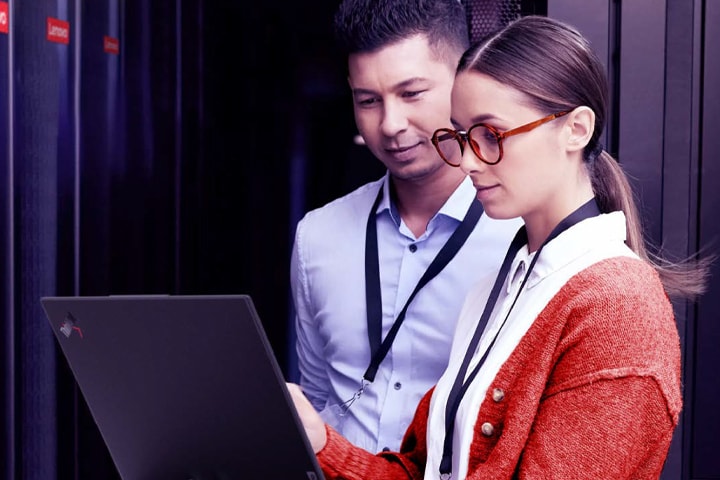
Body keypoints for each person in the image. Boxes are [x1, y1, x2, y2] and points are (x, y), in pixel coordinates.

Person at [288, 14, 710, 479]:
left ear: (576, 129)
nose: (468, 161)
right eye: (462, 136)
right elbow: (421, 472)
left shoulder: (617, 306)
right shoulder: (502, 286)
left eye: (492, 135)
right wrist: (321, 440)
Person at [290, 0, 522, 454]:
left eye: (412, 94)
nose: (391, 125)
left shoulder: (520, 235)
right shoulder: (318, 236)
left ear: (464, 84)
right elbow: (315, 402)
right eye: (368, 101)